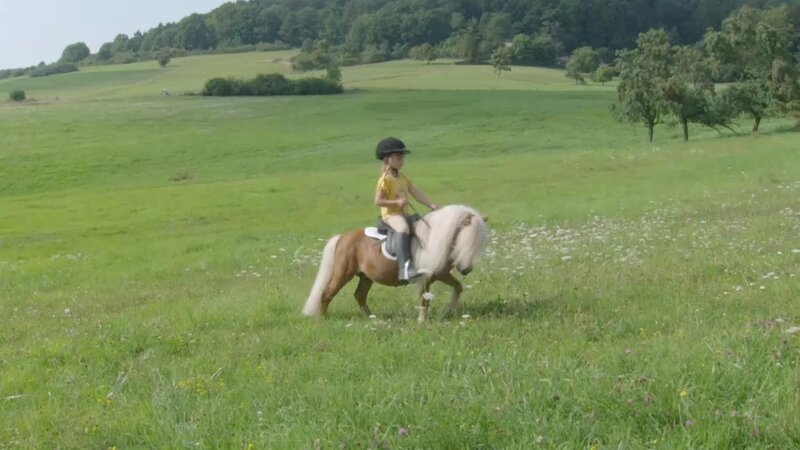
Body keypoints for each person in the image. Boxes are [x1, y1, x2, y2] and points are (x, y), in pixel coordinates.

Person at [374, 137, 438, 281]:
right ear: (388, 159)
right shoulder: (385, 179)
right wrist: (396, 203)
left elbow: (416, 193)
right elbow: (378, 201)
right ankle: (405, 269)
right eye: (398, 158)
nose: (401, 161)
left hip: (403, 214)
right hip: (391, 215)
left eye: (402, 158)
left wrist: (431, 205)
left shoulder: (403, 178)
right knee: (403, 228)